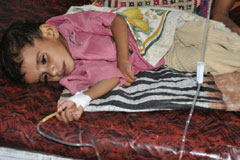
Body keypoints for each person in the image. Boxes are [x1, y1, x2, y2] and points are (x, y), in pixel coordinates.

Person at [1, 7, 240, 123]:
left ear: (49, 32)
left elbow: (116, 20)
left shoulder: (72, 25)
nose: (52, 71)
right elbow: (110, 79)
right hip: (163, 57)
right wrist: (80, 101)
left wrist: (122, 57)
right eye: (44, 77)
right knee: (213, 58)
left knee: (219, 37)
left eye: (44, 60)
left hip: (161, 28)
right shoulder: (72, 78)